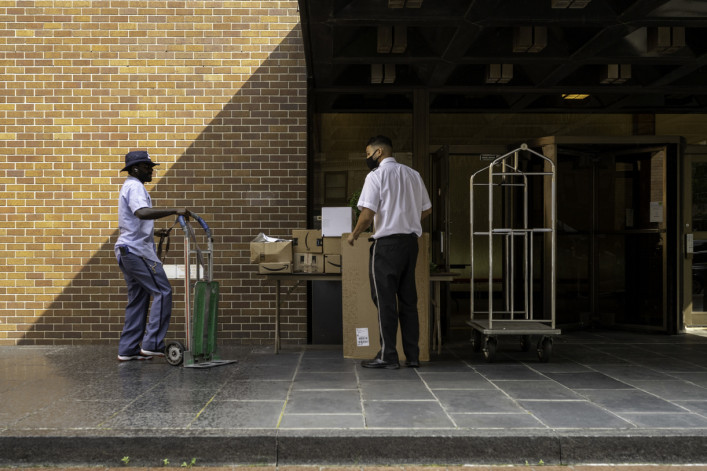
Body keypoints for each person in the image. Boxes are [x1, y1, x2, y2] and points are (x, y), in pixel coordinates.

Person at [347, 136, 432, 369]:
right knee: (408, 300)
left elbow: (367, 214)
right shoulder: (413, 175)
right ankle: (412, 356)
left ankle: (388, 355)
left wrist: (354, 234)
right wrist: (407, 220)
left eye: (368, 154)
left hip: (386, 247)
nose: (367, 158)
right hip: (409, 244)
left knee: (385, 301)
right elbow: (427, 209)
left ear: (379, 152)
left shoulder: (376, 176)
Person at [115, 150, 188, 361]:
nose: (152, 171)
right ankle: (152, 344)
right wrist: (175, 210)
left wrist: (155, 232)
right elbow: (142, 212)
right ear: (136, 168)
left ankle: (128, 349)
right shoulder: (135, 186)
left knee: (138, 299)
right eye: (148, 167)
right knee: (163, 291)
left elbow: (132, 222)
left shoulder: (130, 186)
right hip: (137, 252)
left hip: (127, 250)